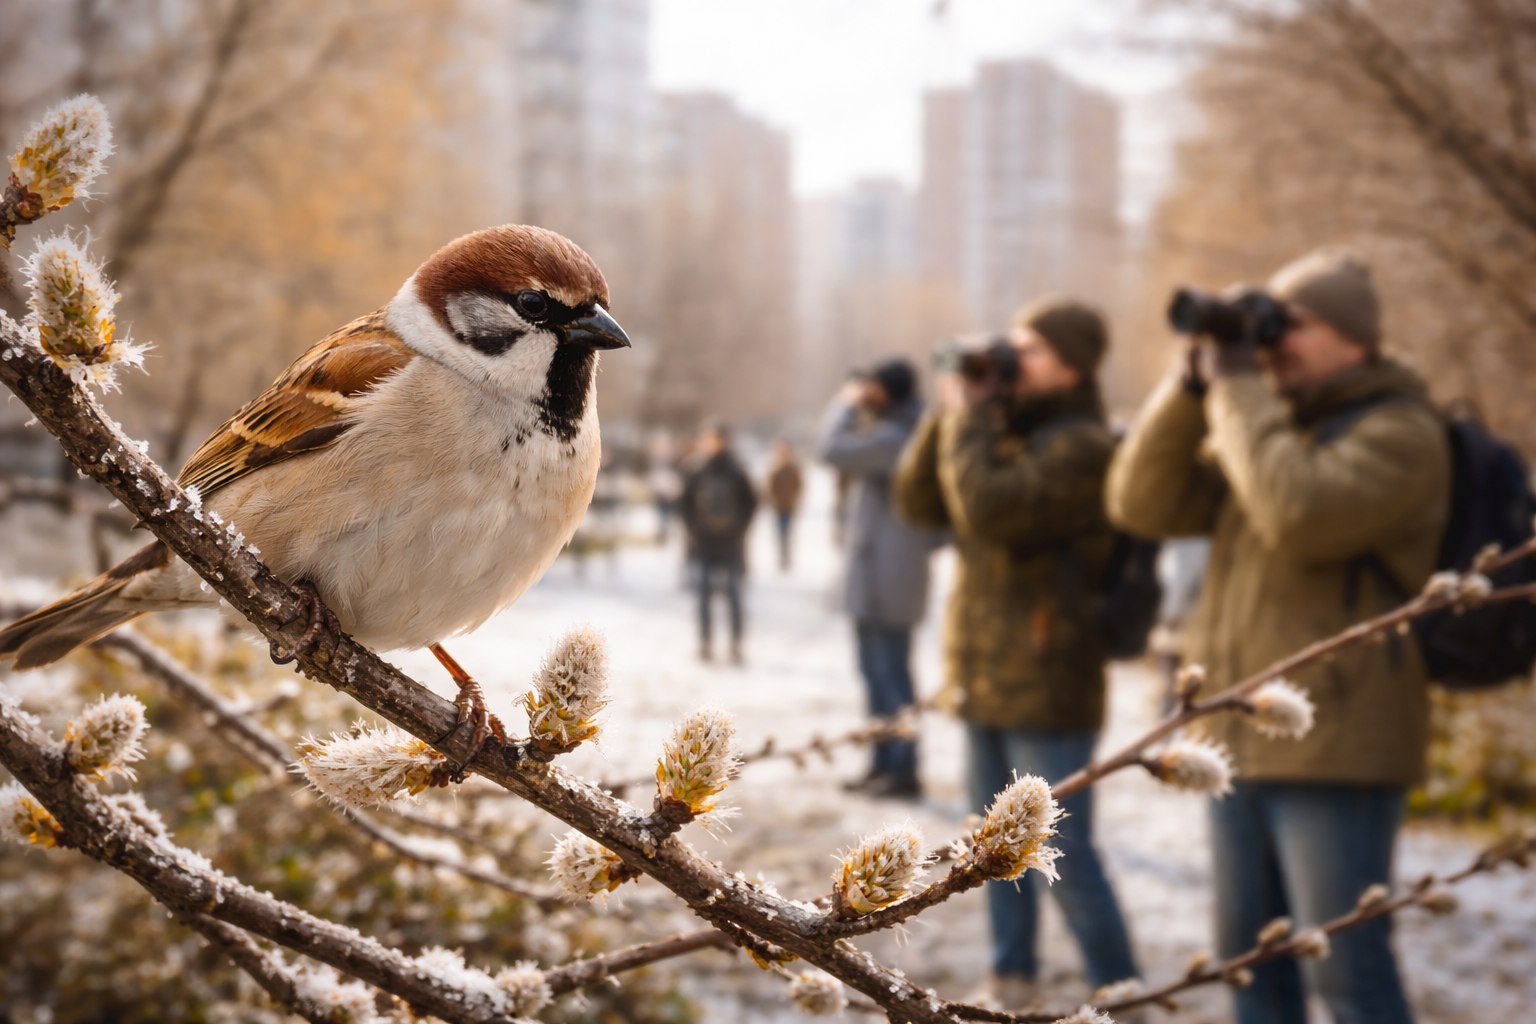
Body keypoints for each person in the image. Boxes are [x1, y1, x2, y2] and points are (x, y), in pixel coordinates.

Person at [1106, 249, 1450, 1024]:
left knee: (1347, 977)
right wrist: (1191, 389)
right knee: (1250, 971)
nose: (1273, 340)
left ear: (1354, 338)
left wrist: (1236, 387)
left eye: (1295, 323)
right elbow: (1139, 501)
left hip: (1340, 742)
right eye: (1271, 322)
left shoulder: (1402, 429)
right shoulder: (1263, 428)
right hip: (1240, 731)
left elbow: (1302, 515)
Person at [894, 301, 1139, 1005]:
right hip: (984, 673)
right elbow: (919, 501)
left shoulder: (1085, 443)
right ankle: (1013, 980)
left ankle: (1123, 992)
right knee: (992, 850)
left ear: (1072, 364)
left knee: (1066, 853)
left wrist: (969, 420)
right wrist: (952, 408)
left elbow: (991, 508)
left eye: (1031, 348)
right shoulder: (995, 426)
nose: (1013, 355)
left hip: (1050, 677)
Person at [819, 359, 938, 801]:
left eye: (871, 386)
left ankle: (902, 770)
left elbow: (832, 449)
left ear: (885, 391)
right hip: (883, 577)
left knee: (890, 676)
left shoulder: (895, 437)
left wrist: (845, 404)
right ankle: (883, 763)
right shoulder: (903, 428)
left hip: (888, 581)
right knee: (878, 674)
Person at [680, 421, 758, 664]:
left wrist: (741, 529)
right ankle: (705, 643)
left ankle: (735, 644)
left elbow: (752, 502)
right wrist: (693, 530)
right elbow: (685, 504)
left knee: (734, 595)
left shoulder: (736, 469)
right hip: (704, 543)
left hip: (730, 543)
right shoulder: (697, 468)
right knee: (703, 596)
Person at [764, 441, 805, 572]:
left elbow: (799, 486)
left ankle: (786, 556)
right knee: (780, 533)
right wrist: (771, 500)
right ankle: (782, 557)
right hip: (778, 507)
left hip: (789, 507)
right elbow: (768, 488)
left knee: (787, 533)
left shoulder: (793, 469)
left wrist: (796, 499)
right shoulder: (774, 469)